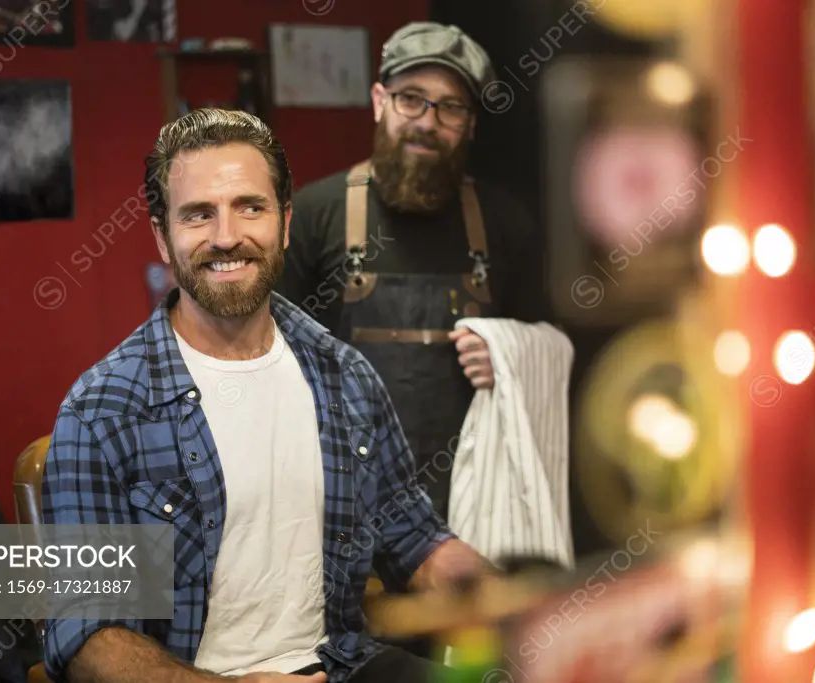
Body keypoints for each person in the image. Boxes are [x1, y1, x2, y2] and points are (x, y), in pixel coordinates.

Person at [41, 108, 490, 683]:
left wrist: (513, 596)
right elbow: (87, 632)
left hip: (344, 665)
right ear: (162, 237)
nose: (227, 237)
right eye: (199, 214)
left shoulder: (344, 375)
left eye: (249, 207)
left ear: (283, 223)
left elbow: (414, 537)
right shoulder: (102, 410)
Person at [276, 22, 552, 522]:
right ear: (379, 101)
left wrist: (511, 359)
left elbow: (553, 342)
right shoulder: (314, 215)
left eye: (450, 107)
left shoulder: (505, 222)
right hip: (343, 511)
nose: (428, 121)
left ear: (470, 124)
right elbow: (269, 362)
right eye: (411, 99)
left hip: (472, 511)